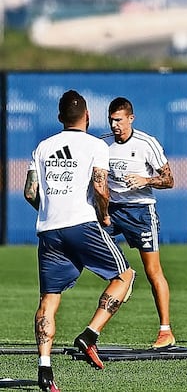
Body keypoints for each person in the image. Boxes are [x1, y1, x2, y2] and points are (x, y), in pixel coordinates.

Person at [23, 90, 136, 392]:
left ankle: (44, 370)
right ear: (87, 117)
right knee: (125, 276)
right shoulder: (95, 145)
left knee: (48, 302)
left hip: (48, 229)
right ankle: (89, 335)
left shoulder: (43, 147)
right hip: (82, 223)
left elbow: (30, 193)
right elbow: (100, 188)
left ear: (60, 118)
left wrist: (50, 211)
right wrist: (106, 217)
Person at [105, 96, 176, 349]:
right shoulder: (102, 144)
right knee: (86, 249)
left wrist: (145, 181)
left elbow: (169, 180)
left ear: (130, 119)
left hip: (141, 213)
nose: (115, 125)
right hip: (111, 211)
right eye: (111, 120)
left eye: (119, 120)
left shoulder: (147, 143)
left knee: (153, 270)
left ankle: (165, 331)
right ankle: (125, 274)